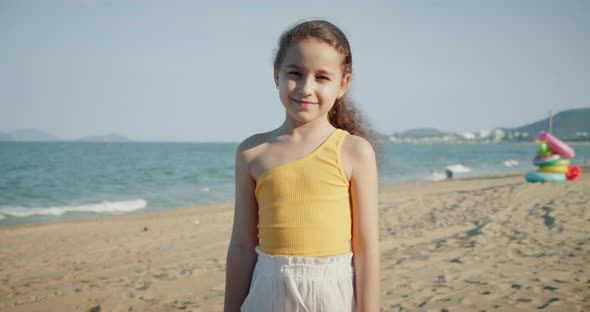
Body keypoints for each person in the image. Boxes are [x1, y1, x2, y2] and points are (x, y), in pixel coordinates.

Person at [224, 19, 380, 312]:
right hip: (267, 291)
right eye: (295, 73)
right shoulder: (252, 152)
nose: (306, 88)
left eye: (322, 77)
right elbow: (242, 246)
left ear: (343, 84)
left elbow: (367, 249)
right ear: (276, 75)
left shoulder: (354, 151)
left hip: (332, 293)